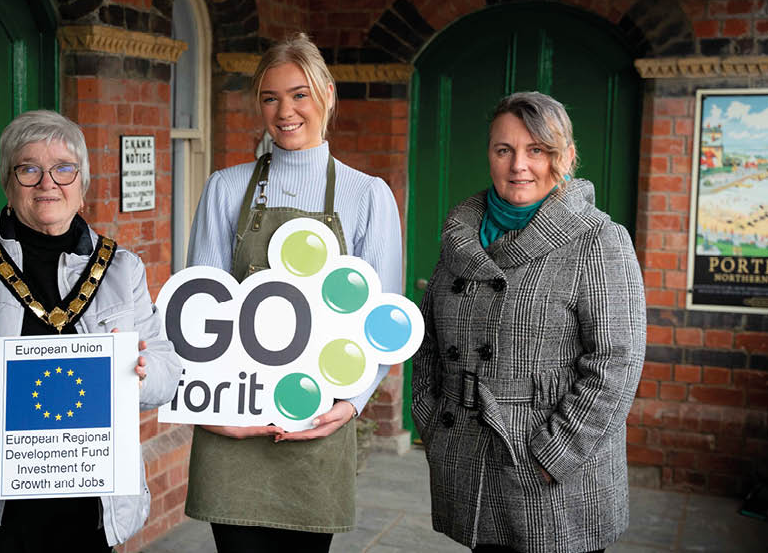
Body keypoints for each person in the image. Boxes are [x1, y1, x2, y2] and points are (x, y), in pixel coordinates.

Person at [0, 110, 182, 551]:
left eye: (64, 169)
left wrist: (138, 370)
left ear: (82, 186)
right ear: (8, 183)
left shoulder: (122, 268)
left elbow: (167, 370)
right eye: (29, 169)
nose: (48, 183)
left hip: (90, 505)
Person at [185, 33, 403, 552]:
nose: (285, 111)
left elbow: (383, 323)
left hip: (316, 420)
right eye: (270, 97)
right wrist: (213, 408)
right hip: (235, 423)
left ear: (328, 94)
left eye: (299, 93)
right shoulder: (225, 187)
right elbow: (200, 312)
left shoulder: (368, 195)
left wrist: (349, 404)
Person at [411, 92, 646, 553]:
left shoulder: (598, 240)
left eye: (536, 150)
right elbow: (429, 343)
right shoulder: (460, 237)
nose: (519, 165)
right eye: (505, 150)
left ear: (565, 156)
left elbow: (617, 363)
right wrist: (431, 421)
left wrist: (552, 456)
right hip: (472, 455)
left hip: (556, 476)